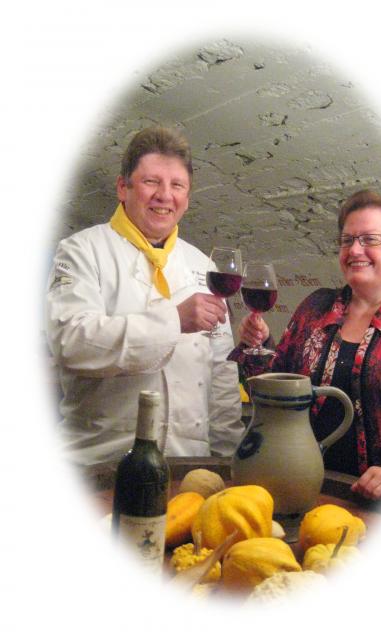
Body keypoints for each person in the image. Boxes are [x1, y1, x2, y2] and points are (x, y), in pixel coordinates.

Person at [46, 126, 244, 467]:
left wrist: (228, 459)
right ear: (123, 188)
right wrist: (174, 321)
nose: (165, 195)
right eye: (151, 182)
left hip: (187, 466)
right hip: (100, 463)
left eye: (177, 185)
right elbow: (71, 343)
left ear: (187, 197)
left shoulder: (203, 266)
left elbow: (221, 370)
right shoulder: (81, 251)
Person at [230, 190, 381, 500]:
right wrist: (257, 345)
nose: (355, 249)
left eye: (370, 239)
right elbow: (272, 394)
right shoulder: (315, 308)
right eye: (347, 240)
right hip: (304, 488)